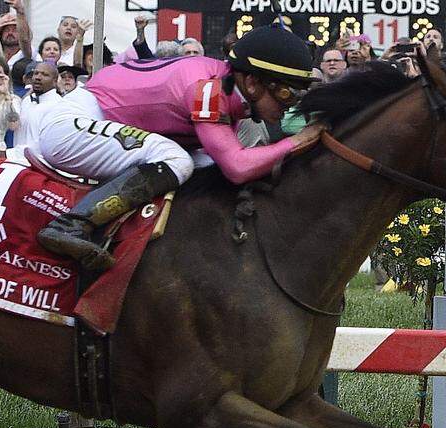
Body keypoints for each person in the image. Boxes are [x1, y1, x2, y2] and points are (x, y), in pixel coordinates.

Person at [34, 23, 323, 270]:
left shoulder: (226, 89)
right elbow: (238, 167)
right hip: (74, 123)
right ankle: (69, 226)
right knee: (178, 160)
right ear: (252, 82)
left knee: (206, 166)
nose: (290, 106)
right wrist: (298, 140)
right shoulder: (208, 89)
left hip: (102, 119)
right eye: (286, 92)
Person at [0, 1, 32, 67]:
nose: (10, 33)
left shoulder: (27, 53)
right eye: (7, 30)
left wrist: (20, 12)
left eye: (14, 30)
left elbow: (24, 40)